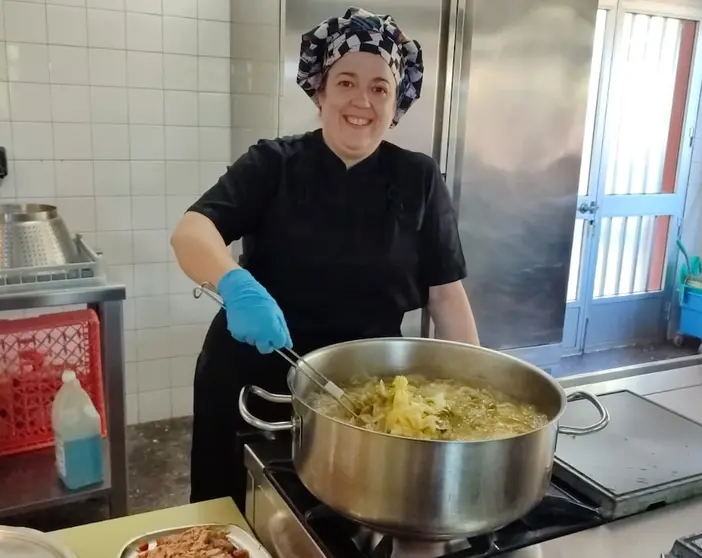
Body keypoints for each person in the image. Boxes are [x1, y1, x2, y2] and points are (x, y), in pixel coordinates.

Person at [170, 7, 479, 505]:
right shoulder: (274, 163)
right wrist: (234, 282)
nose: (362, 101)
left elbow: (446, 295)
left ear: (397, 101)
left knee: (344, 526)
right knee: (234, 517)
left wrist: (472, 391)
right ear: (320, 91)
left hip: (363, 404)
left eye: (380, 87)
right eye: (346, 82)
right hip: (254, 390)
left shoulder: (418, 178)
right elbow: (192, 231)